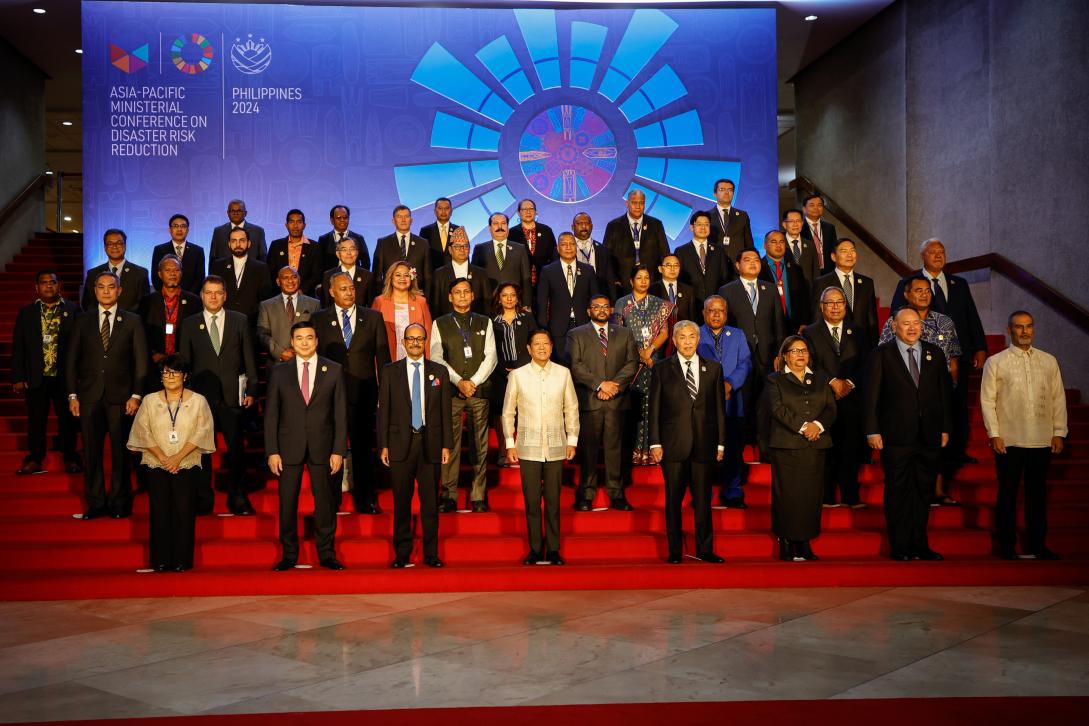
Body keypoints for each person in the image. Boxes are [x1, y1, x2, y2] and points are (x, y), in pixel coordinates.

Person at [890, 238, 988, 467]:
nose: (937, 255)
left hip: (956, 354)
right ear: (922, 256)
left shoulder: (959, 283)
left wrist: (980, 347)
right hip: (920, 358)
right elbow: (896, 316)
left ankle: (957, 451)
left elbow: (971, 315)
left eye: (941, 252)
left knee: (958, 404)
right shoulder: (908, 283)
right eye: (932, 252)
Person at [864, 308, 952, 562]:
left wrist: (945, 427)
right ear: (894, 326)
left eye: (916, 323)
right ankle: (900, 546)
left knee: (924, 492)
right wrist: (872, 429)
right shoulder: (881, 354)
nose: (912, 328)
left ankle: (920, 545)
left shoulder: (934, 353)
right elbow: (871, 396)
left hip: (929, 435)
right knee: (898, 491)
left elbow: (944, 394)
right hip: (895, 436)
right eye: (906, 324)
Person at [980, 311, 1067, 560]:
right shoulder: (996, 362)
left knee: (1037, 495)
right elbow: (987, 400)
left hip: (1041, 437)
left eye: (1029, 326)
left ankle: (1038, 545)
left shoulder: (1048, 361)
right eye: (1019, 327)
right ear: (1009, 330)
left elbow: (1057, 398)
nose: (1025, 331)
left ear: (1034, 329)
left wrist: (1059, 431)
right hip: (1009, 439)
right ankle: (1007, 546)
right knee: (1007, 494)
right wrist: (994, 433)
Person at [266, 320, 348, 571]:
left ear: (316, 341)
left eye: (309, 337)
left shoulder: (332, 370)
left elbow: (340, 414)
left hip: (323, 446)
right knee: (287, 503)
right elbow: (271, 414)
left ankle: (327, 554)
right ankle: (289, 554)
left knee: (324, 503)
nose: (304, 342)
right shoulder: (279, 372)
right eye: (299, 338)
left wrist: (338, 451)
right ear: (292, 342)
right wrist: (272, 451)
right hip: (288, 446)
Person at [67, 270, 148, 519]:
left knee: (120, 454)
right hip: (89, 397)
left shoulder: (133, 321)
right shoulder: (82, 321)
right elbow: (71, 361)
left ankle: (119, 503)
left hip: (121, 398)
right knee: (91, 453)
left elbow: (141, 362)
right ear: (94, 291)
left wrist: (136, 395)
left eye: (110, 287)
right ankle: (96, 503)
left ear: (119, 290)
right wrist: (72, 395)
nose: (105, 291)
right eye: (100, 287)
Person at [126, 355, 215, 572]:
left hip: (186, 463)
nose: (170, 376)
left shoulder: (198, 401)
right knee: (159, 510)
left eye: (175, 372)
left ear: (185, 376)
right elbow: (142, 431)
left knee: (184, 511)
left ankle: (183, 560)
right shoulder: (149, 400)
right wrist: (164, 458)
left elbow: (203, 431)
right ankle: (161, 560)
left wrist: (177, 457)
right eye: (166, 372)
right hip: (157, 463)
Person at [311, 271, 391, 514]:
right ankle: (331, 500)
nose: (349, 292)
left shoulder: (373, 318)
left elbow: (383, 359)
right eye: (343, 289)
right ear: (332, 292)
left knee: (363, 449)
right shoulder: (319, 319)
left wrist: (384, 396)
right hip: (330, 396)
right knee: (331, 448)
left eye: (351, 288)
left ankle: (365, 499)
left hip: (364, 394)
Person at [178, 275, 258, 516]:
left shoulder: (240, 321)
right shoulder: (190, 323)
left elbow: (249, 358)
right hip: (200, 398)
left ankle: (238, 497)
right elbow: (184, 363)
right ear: (201, 295)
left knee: (236, 450)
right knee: (201, 450)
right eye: (208, 292)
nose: (213, 297)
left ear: (225, 295)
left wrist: (252, 389)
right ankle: (203, 498)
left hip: (233, 396)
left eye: (218, 292)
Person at [880, 274, 962, 506]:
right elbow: (885, 356)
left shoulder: (945, 322)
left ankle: (936, 489)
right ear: (906, 294)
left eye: (927, 290)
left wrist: (948, 392)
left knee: (934, 449)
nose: (924, 294)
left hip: (936, 394)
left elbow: (954, 360)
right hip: (904, 401)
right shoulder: (894, 321)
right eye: (918, 290)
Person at [649, 320, 726, 564]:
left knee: (703, 500)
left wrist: (721, 444)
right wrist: (654, 443)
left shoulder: (713, 368)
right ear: (674, 340)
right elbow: (654, 409)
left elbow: (719, 410)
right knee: (673, 500)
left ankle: (705, 549)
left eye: (692, 336)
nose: (688, 341)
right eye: (682, 337)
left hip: (705, 443)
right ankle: (674, 551)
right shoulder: (661, 368)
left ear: (698, 339)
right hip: (673, 445)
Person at [503, 329, 579, 566]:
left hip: (556, 445)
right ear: (529, 348)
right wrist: (509, 443)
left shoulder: (563, 374)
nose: (542, 347)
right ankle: (535, 549)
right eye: (537, 344)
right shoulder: (518, 376)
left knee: (554, 502)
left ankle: (554, 549)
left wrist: (572, 440)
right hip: (528, 447)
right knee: (532, 501)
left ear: (551, 346)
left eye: (546, 343)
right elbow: (507, 413)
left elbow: (572, 408)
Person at [379, 323, 452, 568]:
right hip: (400, 444)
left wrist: (446, 444)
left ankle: (431, 553)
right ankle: (402, 554)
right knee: (401, 502)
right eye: (410, 339)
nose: (415, 343)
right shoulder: (390, 371)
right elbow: (384, 411)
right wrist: (384, 445)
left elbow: (445, 411)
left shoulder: (439, 372)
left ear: (425, 341)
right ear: (403, 342)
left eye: (419, 339)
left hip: (430, 445)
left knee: (430, 503)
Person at [764, 336, 836, 561]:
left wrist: (818, 426)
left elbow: (830, 408)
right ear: (785, 356)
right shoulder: (774, 380)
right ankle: (786, 540)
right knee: (787, 495)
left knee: (810, 495)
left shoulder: (821, 378)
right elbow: (777, 409)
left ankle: (804, 541)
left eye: (803, 350)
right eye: (794, 351)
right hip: (786, 445)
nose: (800, 355)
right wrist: (804, 427)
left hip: (816, 444)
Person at [431, 278, 498, 512]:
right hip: (451, 391)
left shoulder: (485, 321)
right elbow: (437, 357)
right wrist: (459, 381)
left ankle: (478, 494)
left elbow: (491, 356)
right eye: (457, 292)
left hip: (479, 391)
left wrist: (473, 382)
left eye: (466, 292)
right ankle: (448, 494)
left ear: (472, 296)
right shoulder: (439, 323)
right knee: (450, 444)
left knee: (479, 445)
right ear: (450, 297)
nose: (462, 296)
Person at [567, 293, 639, 510]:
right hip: (591, 400)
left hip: (616, 401)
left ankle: (616, 494)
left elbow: (632, 363)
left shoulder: (625, 333)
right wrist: (600, 385)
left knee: (614, 449)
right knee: (588, 449)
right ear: (589, 311)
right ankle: (586, 495)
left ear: (610, 311)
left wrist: (613, 386)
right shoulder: (576, 334)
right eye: (596, 306)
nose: (601, 310)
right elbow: (575, 365)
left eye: (605, 306)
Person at [12, 270, 81, 475]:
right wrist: (18, 376)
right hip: (36, 376)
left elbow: (82, 344)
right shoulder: (26, 312)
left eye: (52, 282)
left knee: (68, 420)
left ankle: (70, 457)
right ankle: (35, 458)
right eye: (44, 283)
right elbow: (19, 346)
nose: (48, 286)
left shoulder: (73, 309)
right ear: (37, 287)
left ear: (58, 285)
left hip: (64, 376)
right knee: (36, 420)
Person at [803, 287, 867, 508]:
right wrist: (832, 381)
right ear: (822, 307)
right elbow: (809, 363)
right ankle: (827, 495)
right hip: (823, 397)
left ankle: (851, 495)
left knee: (850, 447)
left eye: (840, 302)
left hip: (852, 397)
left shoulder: (859, 332)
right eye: (830, 303)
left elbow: (867, 363)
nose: (836, 306)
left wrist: (849, 383)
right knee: (826, 449)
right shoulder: (810, 332)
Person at [718, 247, 784, 461]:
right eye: (747, 260)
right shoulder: (727, 290)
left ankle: (764, 450)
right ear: (737, 266)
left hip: (767, 355)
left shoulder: (770, 289)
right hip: (739, 357)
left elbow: (778, 324)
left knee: (766, 404)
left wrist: (780, 352)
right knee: (740, 403)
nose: (753, 263)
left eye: (756, 259)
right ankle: (739, 450)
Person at [612, 264, 673, 466]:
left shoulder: (658, 303)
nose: (644, 281)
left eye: (647, 277)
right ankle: (632, 451)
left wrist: (650, 351)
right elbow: (618, 333)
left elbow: (664, 332)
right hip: (630, 362)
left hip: (653, 362)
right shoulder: (622, 303)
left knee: (651, 404)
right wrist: (639, 353)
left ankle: (649, 451)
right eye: (639, 277)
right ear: (631, 281)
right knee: (633, 406)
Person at [696, 295, 752, 508]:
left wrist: (729, 384)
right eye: (712, 310)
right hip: (704, 403)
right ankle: (703, 494)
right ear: (704, 313)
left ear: (726, 314)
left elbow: (745, 363)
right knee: (703, 450)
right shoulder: (695, 334)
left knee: (734, 449)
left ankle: (733, 492)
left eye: (721, 310)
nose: (716, 314)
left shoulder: (737, 335)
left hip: (732, 402)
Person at [491, 282, 537, 465]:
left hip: (525, 372)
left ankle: (525, 452)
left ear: (517, 298)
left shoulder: (527, 318)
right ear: (499, 298)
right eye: (505, 295)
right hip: (499, 373)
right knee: (501, 413)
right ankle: (503, 453)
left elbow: (534, 343)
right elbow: (489, 348)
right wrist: (503, 369)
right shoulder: (491, 320)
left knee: (525, 411)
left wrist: (520, 368)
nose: (509, 298)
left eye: (512, 295)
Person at [536, 231, 598, 362]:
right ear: (558, 249)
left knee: (585, 364)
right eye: (564, 244)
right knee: (561, 366)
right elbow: (542, 302)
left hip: (584, 325)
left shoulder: (588, 270)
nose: (568, 247)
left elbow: (595, 299)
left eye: (572, 244)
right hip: (557, 329)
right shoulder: (548, 271)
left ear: (576, 247)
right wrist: (544, 329)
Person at [811, 238, 879, 351]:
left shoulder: (867, 282)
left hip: (861, 345)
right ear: (833, 257)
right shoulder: (822, 282)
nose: (849, 255)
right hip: (834, 343)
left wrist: (875, 347)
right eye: (844, 251)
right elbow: (817, 315)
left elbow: (872, 319)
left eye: (852, 250)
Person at [139, 255, 201, 370]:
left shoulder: (194, 301)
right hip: (154, 363)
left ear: (181, 273)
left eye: (176, 270)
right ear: (159, 274)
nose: (172, 274)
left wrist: (183, 354)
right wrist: (153, 354)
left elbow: (197, 335)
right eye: (168, 270)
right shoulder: (147, 301)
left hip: (184, 364)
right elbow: (141, 333)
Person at [603, 189, 667, 292]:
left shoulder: (656, 225)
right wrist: (614, 279)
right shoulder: (614, 226)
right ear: (627, 203)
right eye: (634, 202)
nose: (638, 206)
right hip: (622, 284)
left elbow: (664, 254)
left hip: (651, 282)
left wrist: (661, 279)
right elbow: (606, 257)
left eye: (641, 203)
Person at [209, 226, 272, 326]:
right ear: (229, 244)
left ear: (249, 243)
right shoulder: (218, 266)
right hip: (224, 322)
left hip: (252, 322)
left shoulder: (261, 268)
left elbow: (265, 299)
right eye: (234, 241)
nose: (238, 244)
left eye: (242, 240)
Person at [257, 266, 321, 363]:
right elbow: (262, 335)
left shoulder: (314, 304)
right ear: (278, 282)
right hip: (277, 363)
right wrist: (280, 353)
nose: (290, 281)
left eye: (294, 277)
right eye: (285, 278)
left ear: (299, 280)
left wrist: (302, 352)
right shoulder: (266, 306)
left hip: (307, 361)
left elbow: (318, 333)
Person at [373, 260, 433, 361]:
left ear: (411, 278)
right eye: (398, 275)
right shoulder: (380, 302)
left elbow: (428, 333)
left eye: (406, 275)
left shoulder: (421, 302)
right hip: (387, 357)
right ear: (390, 278)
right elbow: (373, 334)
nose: (402, 279)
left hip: (415, 357)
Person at [471, 212, 533, 309]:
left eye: (503, 223)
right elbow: (474, 279)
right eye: (496, 223)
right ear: (489, 228)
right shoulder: (480, 249)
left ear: (508, 227)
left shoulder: (519, 249)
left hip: (514, 305)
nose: (500, 227)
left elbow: (526, 278)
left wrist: (527, 304)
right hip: (487, 305)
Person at [81, 229, 149, 312]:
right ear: (105, 247)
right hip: (101, 323)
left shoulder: (140, 273)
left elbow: (145, 306)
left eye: (119, 243)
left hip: (130, 323)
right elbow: (87, 304)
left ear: (125, 245)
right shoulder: (93, 274)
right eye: (110, 243)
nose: (115, 246)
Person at [429, 227, 491, 317]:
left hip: (476, 325)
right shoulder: (439, 274)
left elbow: (487, 304)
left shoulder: (480, 273)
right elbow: (435, 306)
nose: (462, 250)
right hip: (447, 325)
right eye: (457, 246)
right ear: (450, 250)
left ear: (469, 249)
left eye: (465, 246)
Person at [759, 229, 811, 335]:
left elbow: (804, 298)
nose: (778, 245)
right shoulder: (759, 269)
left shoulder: (796, 269)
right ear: (765, 245)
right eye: (773, 242)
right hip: (768, 328)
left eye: (781, 242)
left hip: (795, 327)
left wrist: (805, 322)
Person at [373, 204, 432, 295]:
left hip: (416, 296)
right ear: (393, 221)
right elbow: (377, 276)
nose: (403, 220)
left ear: (411, 220)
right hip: (390, 296)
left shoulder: (423, 243)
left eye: (406, 216)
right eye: (399, 217)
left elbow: (428, 276)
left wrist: (426, 299)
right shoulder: (383, 243)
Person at [675, 211, 730, 308]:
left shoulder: (719, 251)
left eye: (706, 224)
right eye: (699, 224)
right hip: (690, 304)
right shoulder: (681, 251)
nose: (703, 228)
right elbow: (679, 280)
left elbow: (724, 278)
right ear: (692, 227)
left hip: (714, 305)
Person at [267, 209, 321, 296]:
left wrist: (302, 289)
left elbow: (317, 274)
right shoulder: (276, 245)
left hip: (305, 296)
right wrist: (283, 288)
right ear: (286, 225)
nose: (295, 226)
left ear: (304, 225)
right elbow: (270, 271)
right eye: (292, 222)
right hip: (279, 295)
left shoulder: (315, 246)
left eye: (299, 222)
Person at [508, 198, 557, 288]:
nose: (528, 212)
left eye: (531, 209)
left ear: (536, 212)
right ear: (518, 213)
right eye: (524, 209)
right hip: (520, 282)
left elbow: (554, 255)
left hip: (544, 280)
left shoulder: (546, 231)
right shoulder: (512, 233)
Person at [151, 214, 206, 294]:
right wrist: (168, 294)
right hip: (166, 298)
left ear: (187, 230)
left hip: (191, 299)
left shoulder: (198, 251)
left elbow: (200, 278)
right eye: (176, 226)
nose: (179, 229)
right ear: (170, 230)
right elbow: (156, 277)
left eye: (183, 226)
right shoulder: (159, 250)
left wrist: (188, 296)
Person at [571, 211, 620, 301]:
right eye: (580, 223)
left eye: (587, 223)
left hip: (598, 300)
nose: (584, 226)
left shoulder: (603, 250)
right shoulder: (564, 249)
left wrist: (613, 303)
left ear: (592, 226)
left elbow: (610, 280)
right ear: (572, 227)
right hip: (572, 299)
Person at [319, 234, 376, 309]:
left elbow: (372, 305)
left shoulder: (368, 276)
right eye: (344, 250)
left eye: (352, 249)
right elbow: (325, 305)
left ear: (357, 252)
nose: (348, 253)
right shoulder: (328, 275)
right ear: (337, 254)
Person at [705, 178, 754, 261]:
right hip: (714, 263)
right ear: (715, 194)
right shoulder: (706, 216)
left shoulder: (742, 216)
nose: (727, 192)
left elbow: (749, 242)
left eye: (730, 190)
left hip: (737, 264)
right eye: (722, 189)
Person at [317, 204, 370, 273]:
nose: (342, 220)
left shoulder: (358, 238)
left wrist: (362, 277)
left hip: (354, 279)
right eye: (339, 218)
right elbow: (319, 264)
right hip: (331, 279)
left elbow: (366, 262)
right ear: (332, 220)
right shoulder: (324, 239)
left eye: (345, 217)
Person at [651, 253, 697, 327]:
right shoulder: (652, 289)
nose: (672, 269)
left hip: (682, 334)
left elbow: (692, 318)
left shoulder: (688, 291)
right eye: (668, 265)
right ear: (660, 269)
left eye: (676, 265)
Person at [780, 209, 821, 289]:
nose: (795, 224)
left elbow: (816, 271)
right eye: (791, 221)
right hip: (786, 290)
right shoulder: (779, 244)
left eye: (798, 221)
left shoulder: (810, 245)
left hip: (807, 291)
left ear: (802, 223)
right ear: (784, 224)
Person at [418, 197, 460, 272]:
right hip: (432, 276)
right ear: (435, 211)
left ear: (451, 211)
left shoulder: (458, 230)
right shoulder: (425, 231)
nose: (443, 211)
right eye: (440, 208)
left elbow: (464, 254)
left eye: (446, 208)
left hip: (454, 275)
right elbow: (421, 257)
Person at [800, 193, 836, 273]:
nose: (816, 208)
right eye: (812, 205)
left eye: (819, 205)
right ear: (804, 209)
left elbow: (834, 250)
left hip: (827, 271)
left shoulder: (830, 228)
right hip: (806, 272)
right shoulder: (799, 228)